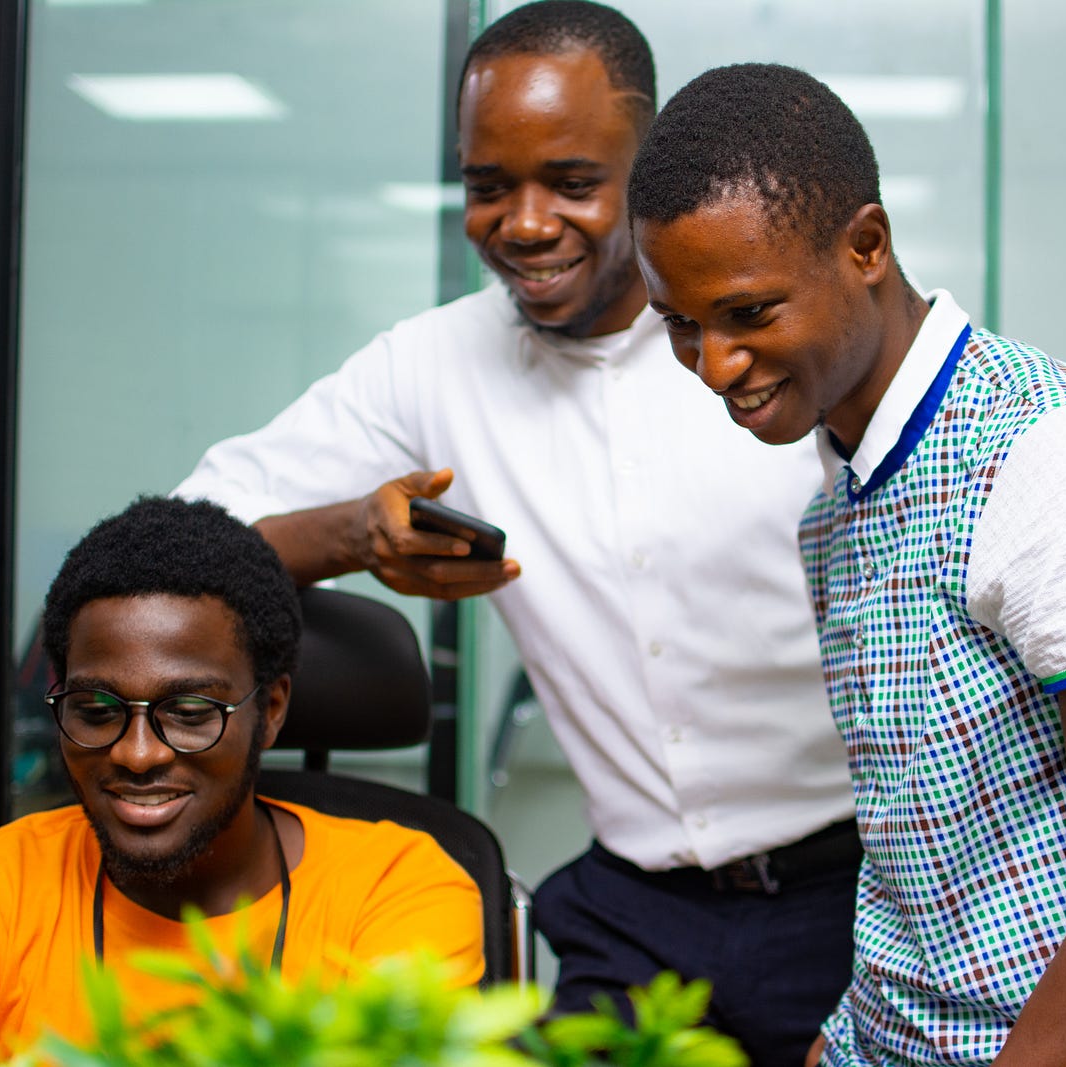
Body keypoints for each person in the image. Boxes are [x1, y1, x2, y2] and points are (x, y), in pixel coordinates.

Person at [173, 4, 860, 1062]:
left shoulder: (773, 339)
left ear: (651, 165)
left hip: (850, 897)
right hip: (630, 921)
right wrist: (355, 531)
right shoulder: (430, 365)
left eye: (575, 182)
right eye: (488, 186)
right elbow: (172, 548)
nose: (526, 223)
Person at [628, 63, 1066, 1067]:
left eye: (748, 313)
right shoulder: (838, 499)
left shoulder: (1047, 451)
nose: (713, 364)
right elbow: (924, 849)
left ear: (866, 246)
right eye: (679, 325)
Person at [0, 497, 483, 1058]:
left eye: (188, 714)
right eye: (96, 710)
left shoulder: (397, 890)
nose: (137, 755)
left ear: (273, 710)